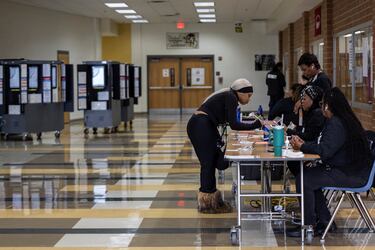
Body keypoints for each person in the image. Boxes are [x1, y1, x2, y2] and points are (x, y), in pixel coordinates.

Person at [287, 87, 373, 237]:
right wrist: (304, 143)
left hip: (351, 174)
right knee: (308, 176)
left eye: (322, 104)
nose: (321, 108)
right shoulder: (340, 120)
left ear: (327, 106)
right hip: (348, 170)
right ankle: (325, 222)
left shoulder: (336, 124)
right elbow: (323, 144)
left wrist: (303, 146)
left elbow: (325, 150)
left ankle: (309, 226)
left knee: (305, 179)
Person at [187, 79, 263, 214]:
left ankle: (212, 200)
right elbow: (234, 125)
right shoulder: (231, 97)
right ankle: (207, 203)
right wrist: (256, 124)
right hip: (200, 126)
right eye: (248, 95)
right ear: (240, 92)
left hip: (205, 125)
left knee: (220, 163)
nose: (249, 99)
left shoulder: (229, 96)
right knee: (208, 164)